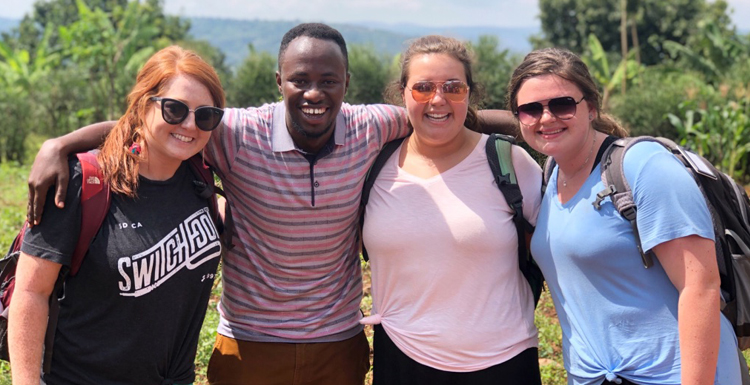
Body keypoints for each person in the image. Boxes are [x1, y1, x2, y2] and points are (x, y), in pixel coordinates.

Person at [25, 24, 518, 385]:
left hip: (339, 343)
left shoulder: (373, 125)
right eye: (300, 79)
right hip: (248, 345)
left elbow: (446, 115)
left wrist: (537, 122)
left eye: (329, 80)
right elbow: (155, 124)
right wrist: (61, 144)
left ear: (347, 84)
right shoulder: (234, 132)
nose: (314, 92)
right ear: (278, 80)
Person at [507, 47, 742, 385]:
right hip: (596, 377)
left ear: (591, 107)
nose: (546, 118)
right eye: (530, 109)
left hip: (673, 376)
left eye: (561, 105)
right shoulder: (550, 174)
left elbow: (700, 286)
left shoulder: (642, 167)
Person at [9, 45, 225, 385]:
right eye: (174, 109)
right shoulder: (83, 182)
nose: (189, 124)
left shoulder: (202, 179)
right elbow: (31, 292)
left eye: (205, 115)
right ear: (143, 105)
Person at [360, 35, 543, 385]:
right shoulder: (374, 166)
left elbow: (556, 248)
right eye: (423, 87)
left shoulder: (507, 162)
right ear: (403, 94)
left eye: (454, 88)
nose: (438, 100)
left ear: (470, 94)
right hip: (401, 359)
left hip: (504, 362)